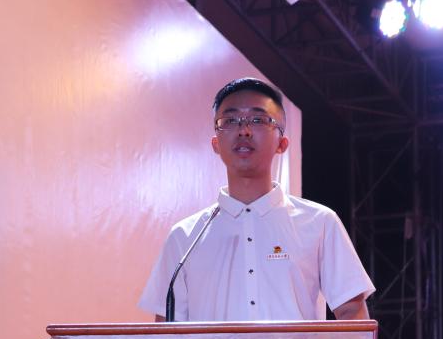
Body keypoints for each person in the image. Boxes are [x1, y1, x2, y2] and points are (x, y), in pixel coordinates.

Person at [139, 77, 374, 322]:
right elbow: (166, 329)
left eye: (258, 120)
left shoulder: (320, 222)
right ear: (216, 144)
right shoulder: (185, 237)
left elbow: (352, 313)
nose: (244, 130)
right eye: (230, 121)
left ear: (282, 143)